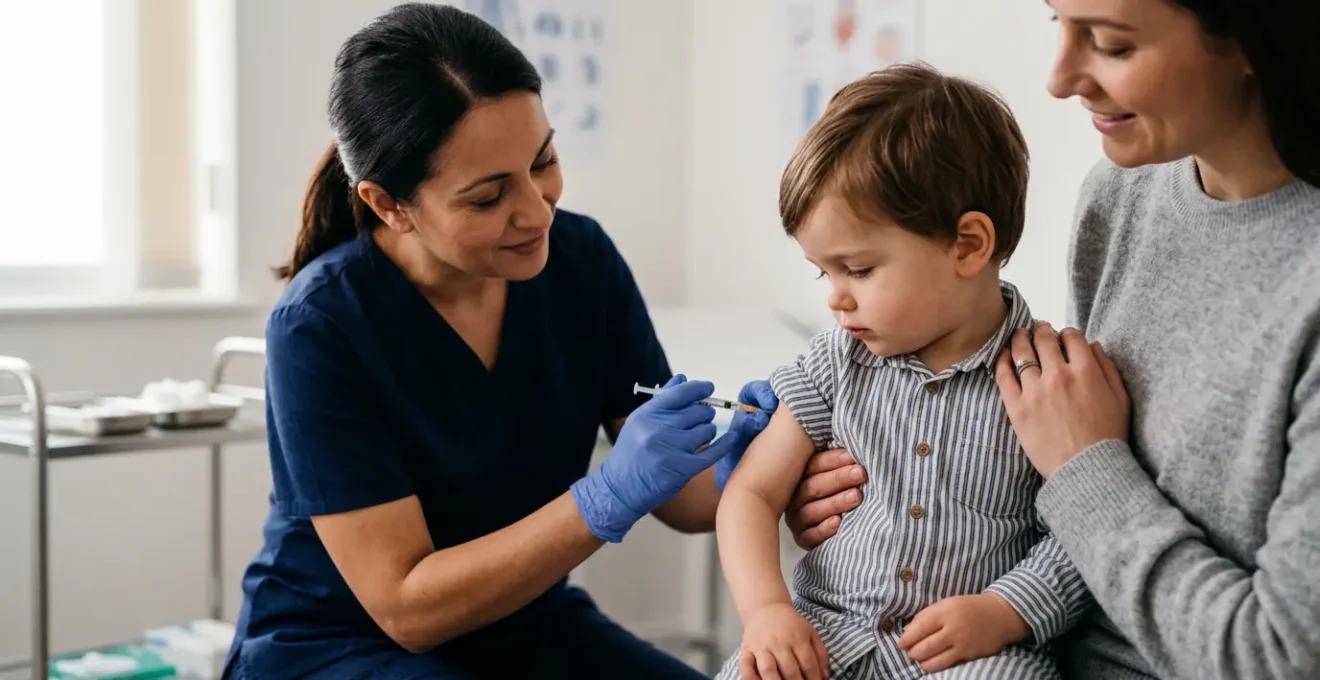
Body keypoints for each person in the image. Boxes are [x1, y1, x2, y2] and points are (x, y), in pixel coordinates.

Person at [221, 4, 867, 679]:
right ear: (390, 205)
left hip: (525, 625)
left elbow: (680, 498)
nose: (536, 211)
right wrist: (603, 499)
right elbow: (406, 610)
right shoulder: (321, 327)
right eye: (487, 197)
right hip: (339, 647)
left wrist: (759, 472)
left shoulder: (580, 259)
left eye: (544, 161)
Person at [713, 63, 1091, 680]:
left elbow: (1084, 530)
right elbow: (751, 494)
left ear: (968, 245)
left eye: (858, 270)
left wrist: (1005, 610)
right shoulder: (834, 363)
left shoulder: (1044, 382)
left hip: (970, 654)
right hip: (826, 637)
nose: (836, 297)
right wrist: (766, 612)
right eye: (823, 272)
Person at [993, 1, 1320, 678]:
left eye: (1112, 45)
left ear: (1257, 38)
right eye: (1057, 21)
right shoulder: (1120, 197)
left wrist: (1087, 465)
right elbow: (1059, 481)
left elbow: (1281, 658)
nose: (1059, 80)